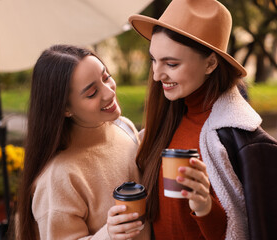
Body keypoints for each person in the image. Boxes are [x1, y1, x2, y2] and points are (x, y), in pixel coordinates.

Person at [108, 0, 277, 239]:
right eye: (153, 60)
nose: (157, 75)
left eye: (171, 63)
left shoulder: (244, 143)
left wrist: (204, 207)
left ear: (210, 63)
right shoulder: (164, 123)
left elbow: (249, 230)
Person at [16, 44, 150, 240]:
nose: (109, 93)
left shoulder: (123, 127)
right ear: (65, 109)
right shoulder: (58, 179)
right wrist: (108, 235)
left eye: (106, 77)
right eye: (92, 93)